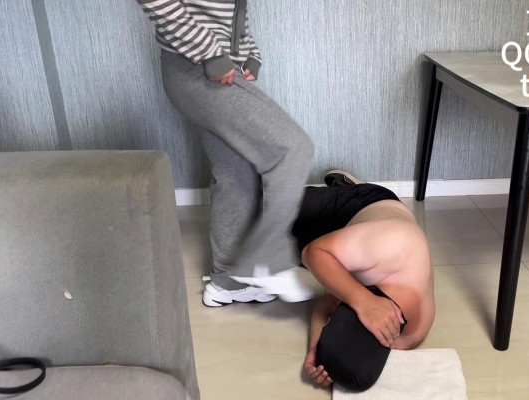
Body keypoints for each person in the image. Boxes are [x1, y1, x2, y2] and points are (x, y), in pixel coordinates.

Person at [135, 0, 315, 304]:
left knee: (235, 173)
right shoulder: (204, 57)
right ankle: (266, 261)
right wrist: (210, 53)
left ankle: (228, 281)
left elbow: (235, 15)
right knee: (293, 148)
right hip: (195, 67)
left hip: (219, 68)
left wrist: (250, 54)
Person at [284, 170, 436, 391]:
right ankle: (348, 187)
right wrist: (362, 300)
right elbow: (313, 253)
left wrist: (317, 348)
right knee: (268, 206)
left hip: (350, 246)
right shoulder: (394, 244)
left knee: (272, 242)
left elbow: (327, 304)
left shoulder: (403, 338)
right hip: (361, 206)